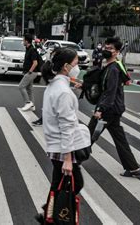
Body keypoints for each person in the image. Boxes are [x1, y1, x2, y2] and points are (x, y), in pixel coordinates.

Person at [34, 47, 90, 223]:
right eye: (75, 63)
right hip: (63, 147)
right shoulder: (63, 92)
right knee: (71, 184)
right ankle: (51, 215)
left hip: (56, 145)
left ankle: (48, 214)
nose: (77, 67)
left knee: (59, 184)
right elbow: (66, 126)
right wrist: (67, 158)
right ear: (66, 66)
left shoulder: (54, 86)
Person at [88, 37, 140, 177]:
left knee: (89, 134)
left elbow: (110, 92)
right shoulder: (113, 66)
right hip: (115, 109)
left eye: (111, 49)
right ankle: (132, 167)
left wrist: (100, 110)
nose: (107, 50)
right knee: (119, 138)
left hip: (108, 110)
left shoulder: (113, 69)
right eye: (106, 47)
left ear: (117, 52)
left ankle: (74, 161)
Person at [20, 34, 40, 111]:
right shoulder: (28, 49)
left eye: (23, 40)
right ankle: (32, 106)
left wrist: (29, 72)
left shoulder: (32, 50)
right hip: (29, 71)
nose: (22, 42)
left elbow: (35, 63)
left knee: (21, 86)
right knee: (29, 89)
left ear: (26, 41)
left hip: (32, 72)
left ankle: (28, 102)